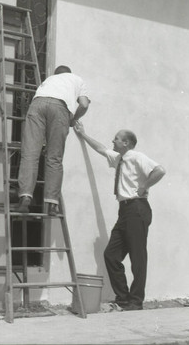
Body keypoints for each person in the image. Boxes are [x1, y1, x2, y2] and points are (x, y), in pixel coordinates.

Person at [73, 122, 166, 311]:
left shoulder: (137, 157)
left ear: (126, 143)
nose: (113, 141)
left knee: (137, 256)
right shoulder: (119, 158)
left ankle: (135, 301)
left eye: (116, 138)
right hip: (124, 211)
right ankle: (123, 298)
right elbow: (101, 149)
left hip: (137, 208)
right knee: (111, 255)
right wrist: (83, 134)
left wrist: (144, 186)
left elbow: (160, 170)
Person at [17, 65, 90, 216]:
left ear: (56, 74)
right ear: (69, 73)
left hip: (37, 105)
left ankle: (25, 196)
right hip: (60, 108)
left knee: (30, 154)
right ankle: (51, 203)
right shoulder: (77, 79)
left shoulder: (48, 81)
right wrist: (73, 119)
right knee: (54, 157)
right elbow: (84, 104)